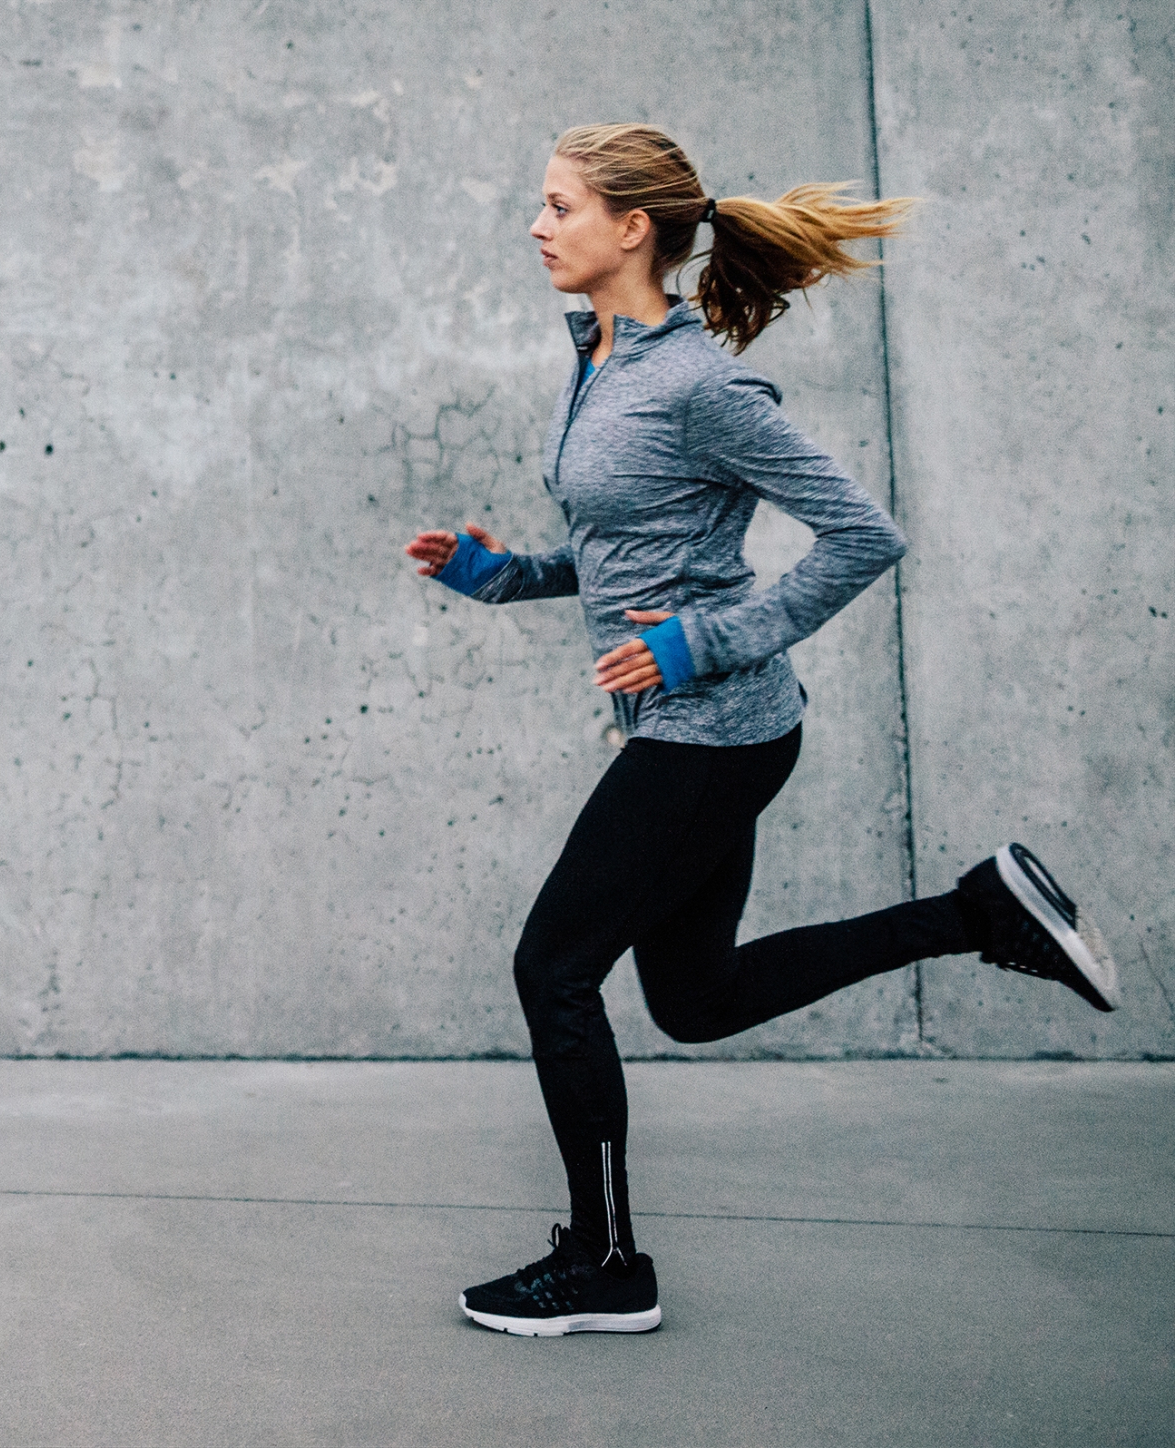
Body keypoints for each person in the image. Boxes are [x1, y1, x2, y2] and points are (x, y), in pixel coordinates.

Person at [400, 123, 1122, 1338]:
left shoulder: (701, 383)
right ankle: (977, 910)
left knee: (552, 966)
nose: (537, 224)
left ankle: (606, 1260)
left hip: (713, 727)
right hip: (696, 725)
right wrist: (503, 573)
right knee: (697, 997)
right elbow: (640, 549)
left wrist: (701, 642)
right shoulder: (602, 356)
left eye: (559, 205)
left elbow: (863, 536)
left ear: (632, 228)